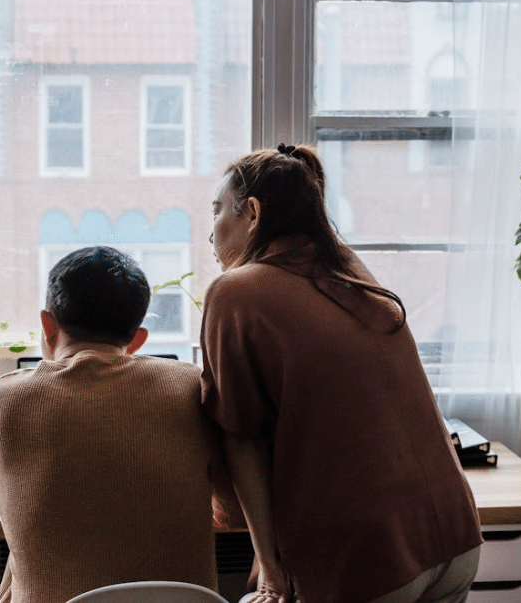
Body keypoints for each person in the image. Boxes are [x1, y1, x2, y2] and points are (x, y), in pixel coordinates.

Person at [201, 144, 483, 603]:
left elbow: (241, 438)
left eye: (216, 213)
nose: (210, 235)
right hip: (452, 536)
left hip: (373, 559)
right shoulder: (346, 266)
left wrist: (271, 572)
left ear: (252, 213)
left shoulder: (235, 292)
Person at [0, 246, 229, 603]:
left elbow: (6, 503)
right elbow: (228, 508)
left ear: (48, 326)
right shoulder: (191, 387)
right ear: (138, 340)